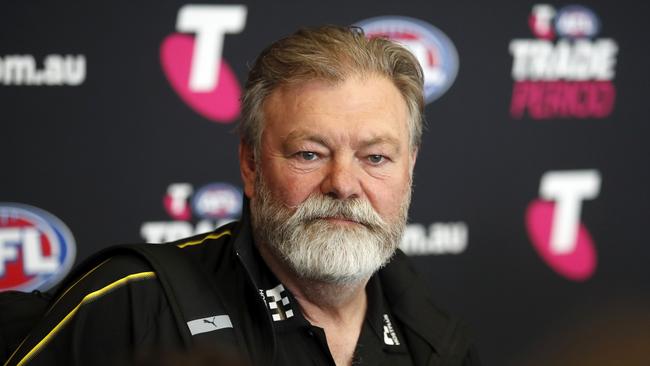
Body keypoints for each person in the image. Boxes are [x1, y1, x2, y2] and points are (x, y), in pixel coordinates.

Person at [4, 25, 479, 365]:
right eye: (310, 154)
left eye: (375, 158)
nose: (344, 183)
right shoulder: (135, 303)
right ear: (251, 165)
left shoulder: (435, 337)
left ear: (410, 167)